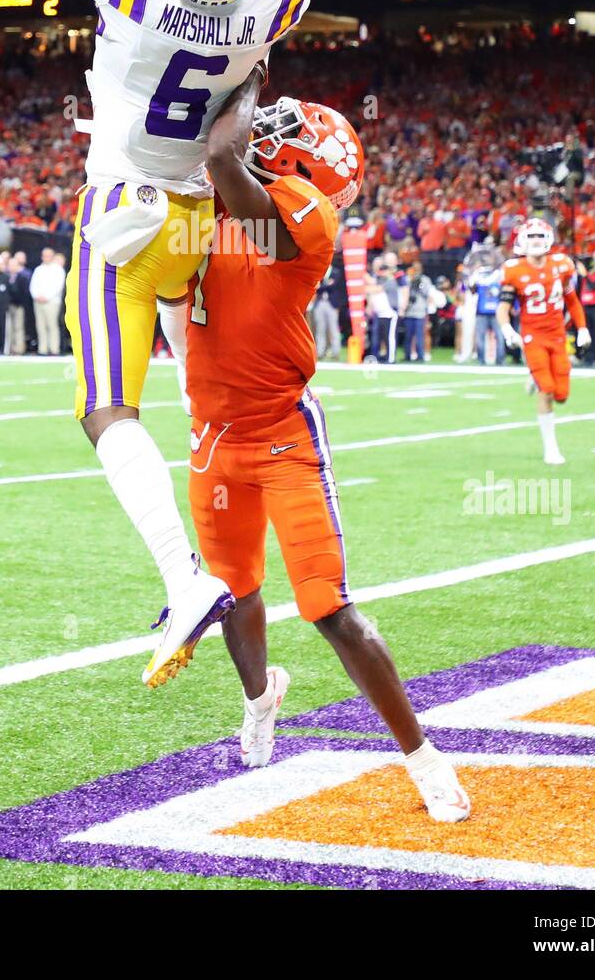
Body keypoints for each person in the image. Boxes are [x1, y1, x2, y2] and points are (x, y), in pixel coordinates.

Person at [67, 0, 311, 689]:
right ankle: (229, 514)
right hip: (196, 219)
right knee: (186, 373)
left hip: (123, 210)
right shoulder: (264, 2)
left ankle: (186, 576)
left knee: (104, 408)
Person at [184, 79, 470, 822]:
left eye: (293, 132)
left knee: (327, 607)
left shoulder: (304, 217)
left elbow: (219, 151)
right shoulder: (219, 200)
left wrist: (243, 73)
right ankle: (259, 702)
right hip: (212, 435)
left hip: (281, 435)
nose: (277, 130)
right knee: (232, 591)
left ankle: (421, 757)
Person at [497, 218, 590, 466]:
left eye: (540, 236)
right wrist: (507, 329)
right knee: (546, 390)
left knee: (561, 395)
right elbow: (503, 307)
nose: (536, 241)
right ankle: (551, 447)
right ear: (522, 242)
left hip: (558, 335)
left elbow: (572, 300)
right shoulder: (514, 270)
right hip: (533, 336)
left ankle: (534, 376)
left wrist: (582, 328)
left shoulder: (561, 265)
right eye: (531, 237)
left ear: (548, 240)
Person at [31, 248, 67, 356]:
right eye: (44, 255)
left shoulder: (58, 269)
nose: (46, 257)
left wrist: (46, 297)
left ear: (52, 256)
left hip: (52, 302)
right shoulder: (38, 269)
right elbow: (33, 285)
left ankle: (54, 349)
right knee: (40, 326)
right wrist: (36, 296)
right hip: (38, 301)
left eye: (48, 255)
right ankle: (42, 349)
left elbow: (58, 287)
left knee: (52, 325)